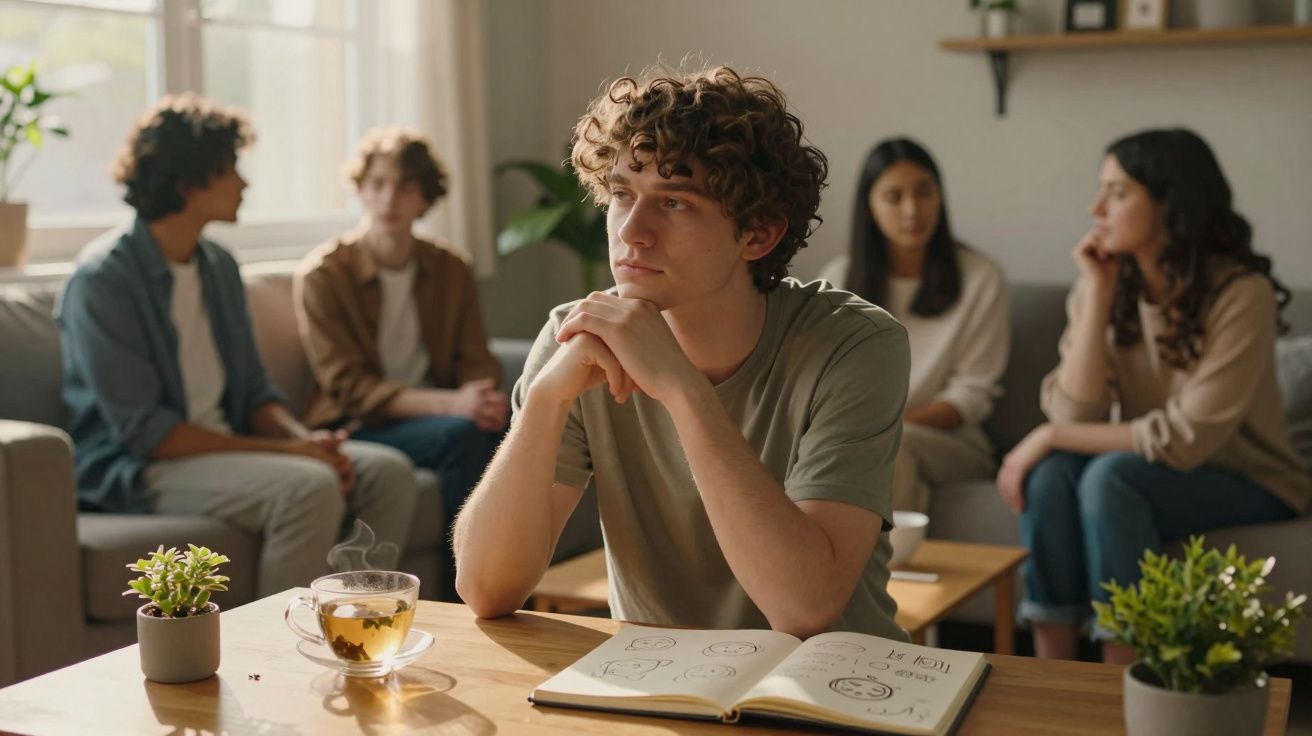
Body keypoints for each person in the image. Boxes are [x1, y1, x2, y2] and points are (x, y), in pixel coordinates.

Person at [452, 65, 912, 640]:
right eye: (622, 194)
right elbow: (487, 589)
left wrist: (682, 388)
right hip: (663, 691)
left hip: (835, 693)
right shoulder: (577, 337)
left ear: (759, 234)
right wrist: (545, 398)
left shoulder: (855, 346)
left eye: (674, 203)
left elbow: (804, 607)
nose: (631, 232)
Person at [57, 94, 418, 598]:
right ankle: (277, 657)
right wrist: (291, 452)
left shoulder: (218, 268)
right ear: (188, 181)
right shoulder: (103, 281)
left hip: (220, 448)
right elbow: (148, 434)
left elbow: (253, 391)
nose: (244, 182)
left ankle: (361, 626)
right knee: (306, 488)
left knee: (388, 472)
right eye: (230, 169)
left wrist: (306, 441)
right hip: (140, 468)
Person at [995, 128, 1310, 662]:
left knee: (1109, 478)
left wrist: (1048, 435)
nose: (1096, 207)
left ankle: (1125, 689)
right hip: (1148, 470)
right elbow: (1076, 409)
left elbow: (1184, 439)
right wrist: (1096, 295)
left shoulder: (1241, 294)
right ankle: (1053, 683)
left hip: (1251, 477)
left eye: (1117, 193)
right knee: (1050, 477)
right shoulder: (1107, 283)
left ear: (1170, 204)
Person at [294, 126, 506, 601]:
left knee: (519, 425)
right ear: (361, 190)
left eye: (405, 186)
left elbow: (475, 356)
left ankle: (515, 582)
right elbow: (348, 387)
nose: (389, 198)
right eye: (377, 183)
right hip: (361, 425)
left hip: (438, 422)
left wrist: (484, 397)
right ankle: (470, 593)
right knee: (464, 434)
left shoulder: (449, 267)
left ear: (425, 198)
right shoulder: (325, 275)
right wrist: (455, 405)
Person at [820, 137, 1009, 514]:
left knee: (895, 444)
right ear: (869, 207)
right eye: (893, 197)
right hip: (858, 438)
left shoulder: (980, 278)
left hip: (950, 442)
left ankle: (887, 572)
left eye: (924, 192)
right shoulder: (838, 281)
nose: (912, 210)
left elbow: (971, 394)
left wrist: (882, 427)